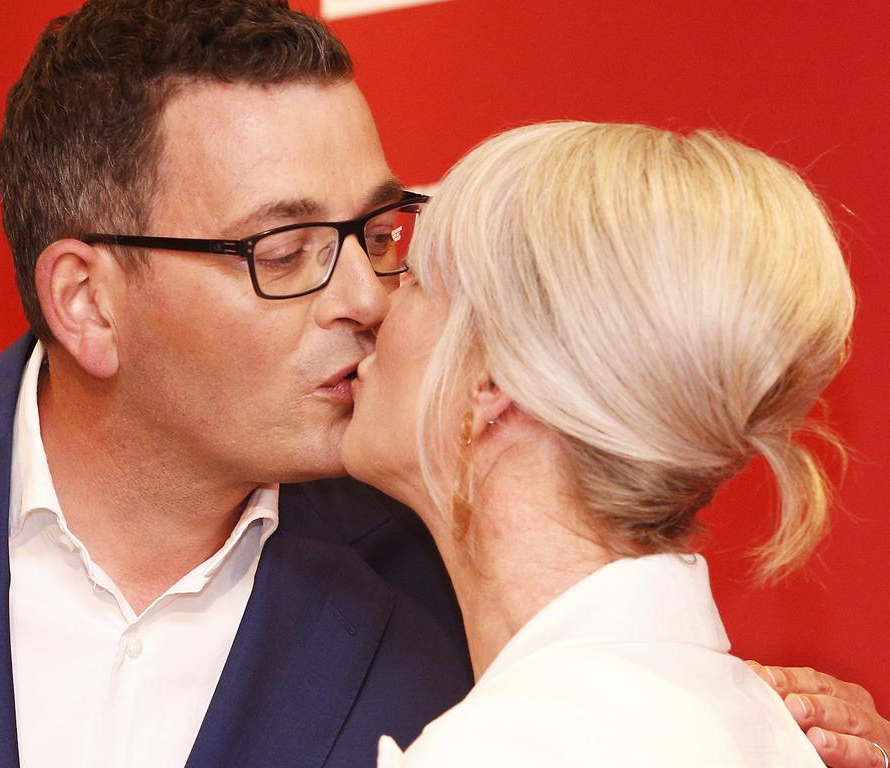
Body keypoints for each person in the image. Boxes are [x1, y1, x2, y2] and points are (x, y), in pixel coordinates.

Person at [0, 2, 883, 767]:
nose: (366, 295)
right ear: (87, 302)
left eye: (374, 231)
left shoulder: (448, 567)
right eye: (287, 245)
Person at [341, 121, 887, 767]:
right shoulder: (749, 722)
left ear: (493, 377)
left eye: (418, 279)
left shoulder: (512, 747)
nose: (373, 306)